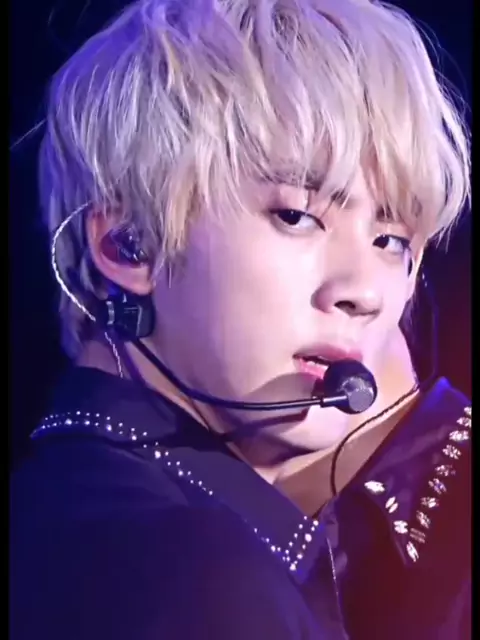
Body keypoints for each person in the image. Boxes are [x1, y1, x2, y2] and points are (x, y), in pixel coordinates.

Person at [10, 0, 471, 638]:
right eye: (297, 216)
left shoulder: (72, 512)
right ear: (130, 244)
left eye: (389, 240)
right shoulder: (194, 574)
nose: (365, 293)